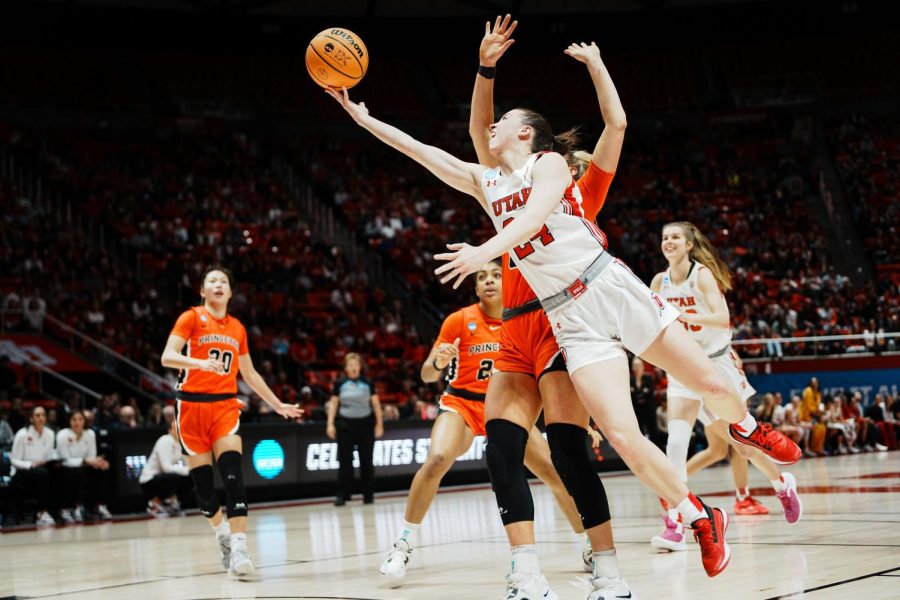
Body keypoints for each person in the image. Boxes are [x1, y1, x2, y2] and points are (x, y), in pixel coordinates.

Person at [327, 42, 801, 584]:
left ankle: (746, 427)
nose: (490, 124)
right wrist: (362, 118)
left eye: (502, 120)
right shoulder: (488, 183)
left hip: (607, 287)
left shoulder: (549, 164)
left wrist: (482, 251)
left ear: (525, 133)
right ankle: (700, 515)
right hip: (569, 318)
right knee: (622, 435)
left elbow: (532, 219)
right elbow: (420, 152)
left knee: (711, 382)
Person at [456, 22, 633, 599]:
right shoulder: (511, 182)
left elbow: (617, 125)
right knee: (501, 448)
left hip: (563, 320)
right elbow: (483, 140)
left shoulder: (582, 194)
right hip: (516, 324)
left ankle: (607, 566)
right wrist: (485, 70)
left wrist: (597, 65)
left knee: (566, 450)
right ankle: (525, 569)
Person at [380, 260, 594, 581]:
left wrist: (581, 420)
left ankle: (587, 544)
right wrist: (437, 363)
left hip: (507, 406)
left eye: (496, 275)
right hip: (463, 403)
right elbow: (426, 374)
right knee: (437, 458)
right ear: (476, 287)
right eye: (482, 277)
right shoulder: (459, 320)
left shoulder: (523, 320)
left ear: (507, 283)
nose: (490, 281)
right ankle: (402, 546)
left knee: (553, 472)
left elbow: (545, 376)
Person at [649, 222, 803, 553]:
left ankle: (781, 484)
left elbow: (721, 319)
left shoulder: (701, 275)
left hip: (717, 364)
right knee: (676, 443)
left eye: (675, 237)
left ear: (689, 244)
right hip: (682, 366)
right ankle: (675, 524)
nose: (669, 242)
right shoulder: (659, 282)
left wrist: (682, 317)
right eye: (665, 238)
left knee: (742, 445)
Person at [161, 266, 302, 575]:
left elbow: (249, 373)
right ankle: (222, 534)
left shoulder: (237, 327)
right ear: (202, 290)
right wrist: (199, 362)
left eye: (224, 281)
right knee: (204, 493)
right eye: (212, 280)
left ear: (230, 291)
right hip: (190, 410)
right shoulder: (191, 317)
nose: (218, 284)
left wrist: (277, 404)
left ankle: (240, 549)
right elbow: (167, 357)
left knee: (233, 477)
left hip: (224, 408)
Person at [326, 353, 383, 506]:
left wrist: (379, 424)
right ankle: (343, 495)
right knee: (345, 462)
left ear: (359, 366)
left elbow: (376, 405)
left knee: (366, 461)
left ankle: (368, 495)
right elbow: (333, 404)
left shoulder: (368, 383)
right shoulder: (340, 384)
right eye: (350, 364)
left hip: (365, 425)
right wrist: (330, 424)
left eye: (355, 364)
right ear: (345, 368)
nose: (353, 367)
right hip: (345, 426)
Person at [56, 409, 112, 523]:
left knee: (101, 469)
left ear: (84, 421)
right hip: (66, 467)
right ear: (69, 421)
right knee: (77, 471)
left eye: (80, 419)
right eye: (74, 420)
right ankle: (70, 508)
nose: (77, 422)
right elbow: (65, 459)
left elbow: (92, 455)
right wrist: (86, 461)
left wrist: (99, 462)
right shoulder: (62, 434)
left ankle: (99, 505)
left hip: (84, 465)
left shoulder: (90, 434)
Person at [10, 406, 56, 526]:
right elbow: (14, 460)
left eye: (43, 415)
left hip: (42, 470)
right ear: (31, 418)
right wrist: (31, 464)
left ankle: (63, 510)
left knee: (57, 471)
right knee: (42, 473)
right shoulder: (22, 434)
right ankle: (42, 513)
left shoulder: (50, 434)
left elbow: (49, 454)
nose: (41, 418)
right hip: (21, 471)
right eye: (37, 415)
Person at [139, 419, 192, 517]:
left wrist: (191, 470)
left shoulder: (181, 443)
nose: (179, 430)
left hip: (165, 477)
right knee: (174, 477)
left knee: (191, 477)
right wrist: (187, 470)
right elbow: (166, 468)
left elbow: (188, 463)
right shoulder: (165, 440)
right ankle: (154, 504)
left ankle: (173, 502)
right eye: (176, 428)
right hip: (149, 480)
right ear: (170, 430)